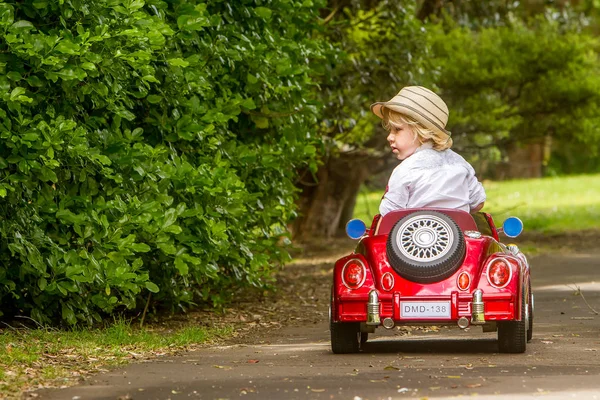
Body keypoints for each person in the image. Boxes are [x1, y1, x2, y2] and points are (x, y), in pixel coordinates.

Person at [370, 86, 486, 216]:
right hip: (457, 234)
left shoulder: (405, 171)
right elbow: (478, 202)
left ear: (423, 132)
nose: (389, 137)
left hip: (415, 235)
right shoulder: (460, 163)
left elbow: (389, 215)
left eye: (397, 130)